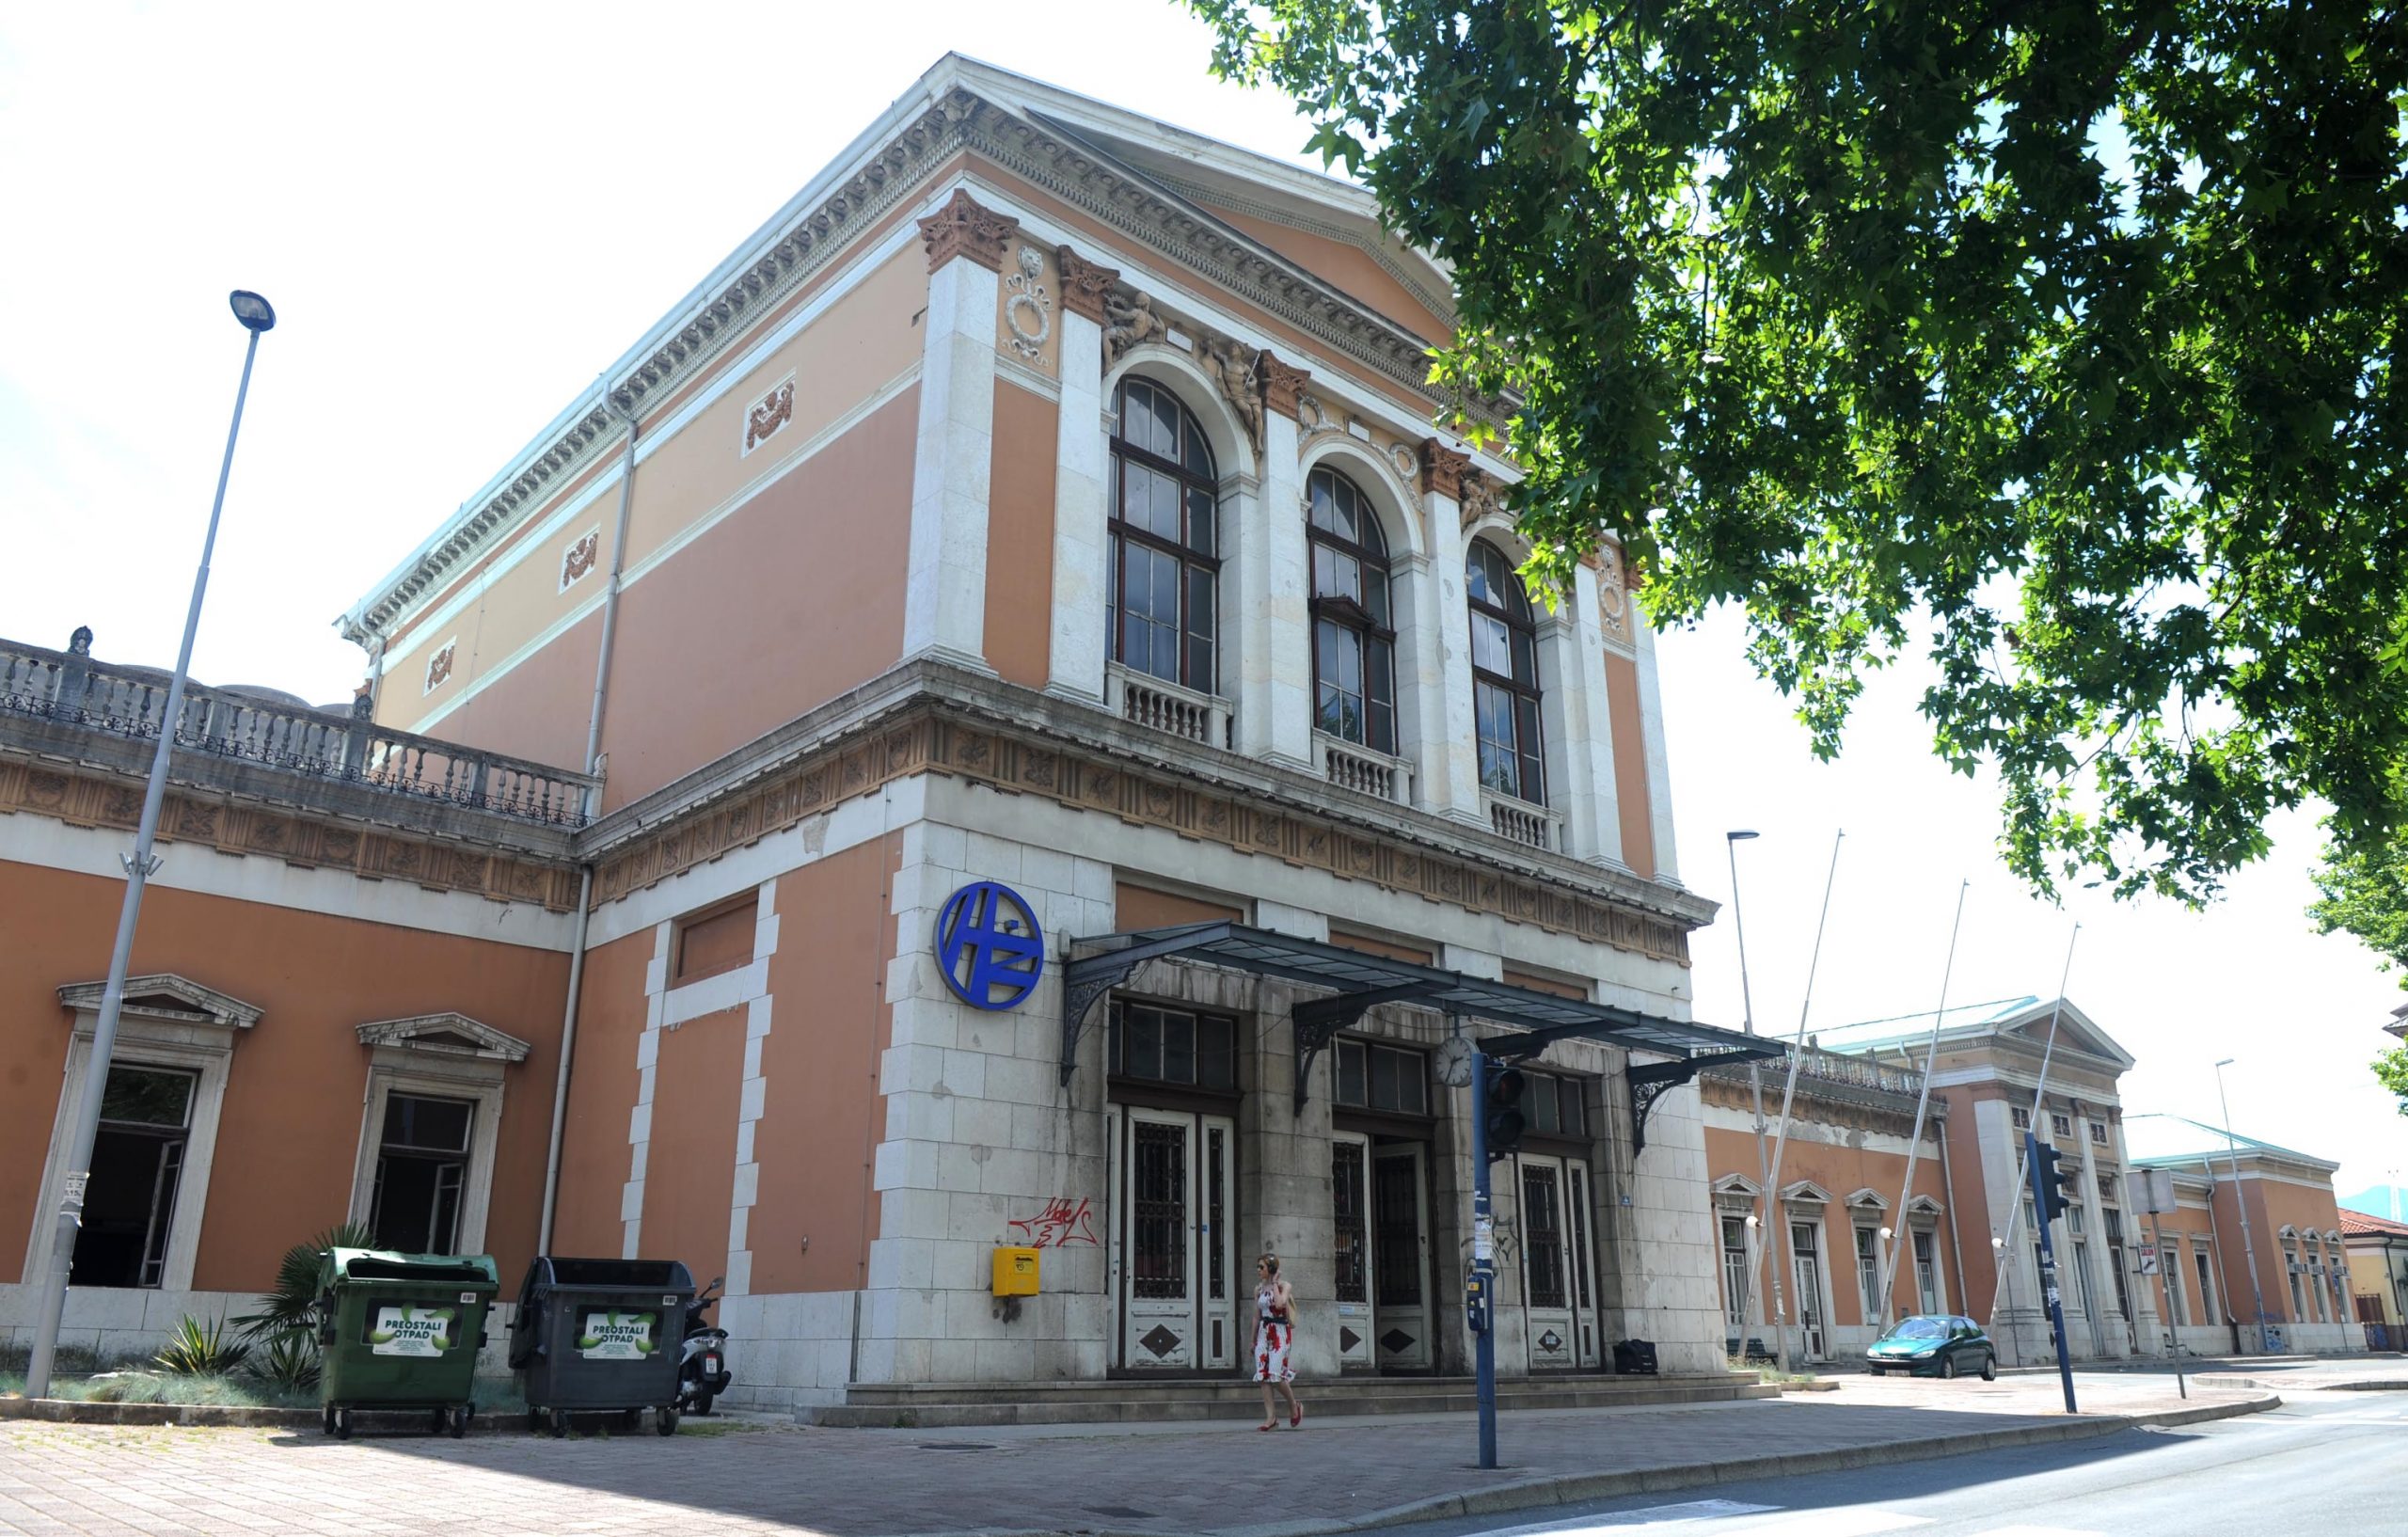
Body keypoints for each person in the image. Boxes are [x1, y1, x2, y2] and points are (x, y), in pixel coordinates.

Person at [1253, 1252, 1302, 1430]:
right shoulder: (1258, 1289)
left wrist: (1274, 1283)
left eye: (1262, 1267)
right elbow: (1256, 1316)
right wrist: (1253, 1341)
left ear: (1271, 1269)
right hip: (1263, 1334)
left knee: (1275, 1374)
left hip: (1280, 1332)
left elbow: (1280, 1304)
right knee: (1263, 1376)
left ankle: (1293, 1405)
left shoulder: (1284, 1286)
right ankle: (1271, 1418)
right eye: (1258, 1267)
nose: (1258, 1270)